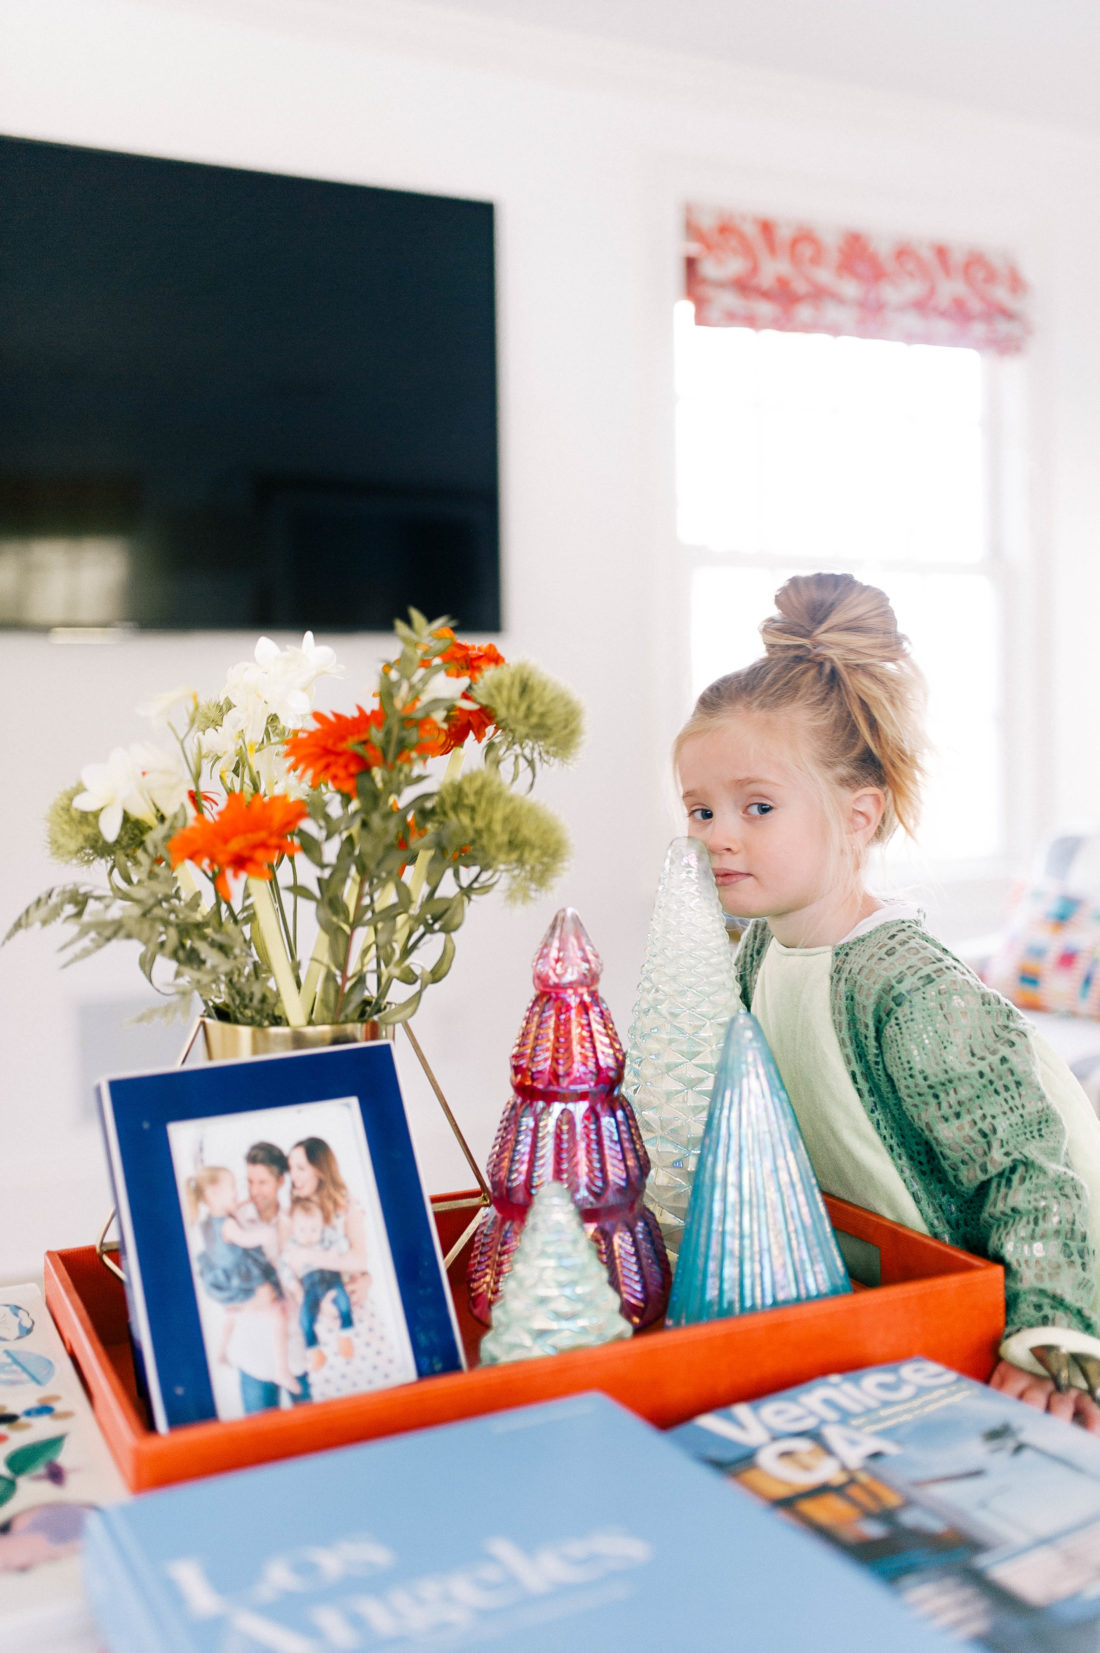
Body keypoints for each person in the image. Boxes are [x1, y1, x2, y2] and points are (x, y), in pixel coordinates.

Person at [677, 571, 1100, 1432]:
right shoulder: (758, 947)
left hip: (1006, 1308)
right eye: (701, 808)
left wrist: (1050, 1347)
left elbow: (1031, 1175)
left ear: (859, 814)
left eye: (756, 807)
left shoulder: (908, 987)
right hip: (879, 1308)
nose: (718, 834)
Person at [286, 1137, 408, 1399]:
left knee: (384, 1390)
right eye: (291, 1168)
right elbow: (289, 1271)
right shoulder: (292, 1213)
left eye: (300, 1167)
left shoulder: (346, 1204)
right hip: (318, 1316)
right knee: (336, 1398)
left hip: (355, 1308)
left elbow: (359, 1260)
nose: (293, 1175)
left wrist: (309, 1255)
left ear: (319, 1168)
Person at [183, 1165, 300, 1399]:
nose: (237, 1193)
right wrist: (267, 1234)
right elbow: (244, 1239)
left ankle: (222, 1351)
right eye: (233, 1188)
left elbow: (229, 1216)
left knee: (233, 1315)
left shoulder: (208, 1221)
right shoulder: (228, 1224)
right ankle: (282, 1369)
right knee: (277, 1314)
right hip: (244, 1278)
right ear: (214, 1194)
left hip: (224, 1279)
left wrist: (241, 1204)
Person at [226, 1142, 311, 1414]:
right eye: (250, 1181)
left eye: (262, 1182)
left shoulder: (299, 1221)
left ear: (281, 1181)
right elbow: (223, 1290)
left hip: (300, 1352)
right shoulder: (234, 1224)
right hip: (254, 1356)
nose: (255, 1190)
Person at [281, 1194, 355, 1369]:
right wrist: (294, 1286)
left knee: (344, 1302)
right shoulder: (292, 1246)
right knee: (305, 1318)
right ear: (294, 1230)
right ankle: (315, 1351)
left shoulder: (327, 1236)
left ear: (321, 1225)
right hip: (309, 1285)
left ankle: (345, 1335)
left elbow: (343, 1244)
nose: (309, 1236)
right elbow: (284, 1269)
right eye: (302, 1230)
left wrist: (335, 1251)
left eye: (314, 1229)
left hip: (331, 1277)